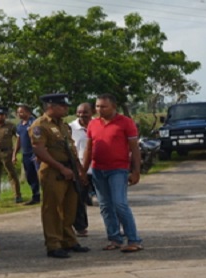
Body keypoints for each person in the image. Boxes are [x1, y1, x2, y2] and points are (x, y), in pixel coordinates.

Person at [29, 93, 90, 259]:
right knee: (53, 209)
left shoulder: (63, 125)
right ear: (50, 107)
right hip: (53, 171)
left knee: (70, 208)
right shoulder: (40, 125)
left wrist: (79, 169)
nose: (66, 108)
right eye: (61, 106)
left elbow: (71, 149)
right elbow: (39, 150)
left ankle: (69, 240)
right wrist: (61, 168)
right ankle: (53, 244)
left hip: (70, 170)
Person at [82, 93, 143, 253]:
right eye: (97, 106)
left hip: (118, 169)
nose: (99, 109)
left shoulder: (125, 123)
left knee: (119, 204)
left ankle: (133, 239)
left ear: (113, 107)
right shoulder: (93, 124)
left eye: (103, 106)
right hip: (98, 169)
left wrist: (136, 171)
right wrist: (83, 170)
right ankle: (114, 238)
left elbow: (135, 149)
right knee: (105, 206)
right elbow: (89, 149)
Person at [0, 106, 22, 203]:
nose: (0, 117)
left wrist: (15, 153)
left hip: (7, 153)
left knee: (12, 174)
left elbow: (18, 138)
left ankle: (17, 195)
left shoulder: (11, 126)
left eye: (2, 115)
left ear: (6, 116)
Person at [70, 102, 94, 236]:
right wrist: (80, 171)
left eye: (85, 112)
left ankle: (116, 227)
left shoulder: (97, 124)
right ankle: (81, 227)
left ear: (92, 113)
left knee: (108, 200)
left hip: (98, 168)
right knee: (79, 200)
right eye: (79, 112)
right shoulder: (71, 127)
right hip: (79, 169)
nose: (81, 115)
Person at [14, 104, 40, 205]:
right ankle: (35, 195)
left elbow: (39, 138)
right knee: (30, 176)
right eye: (18, 112)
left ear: (28, 112)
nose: (19, 114)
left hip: (35, 153)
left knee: (40, 175)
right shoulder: (20, 125)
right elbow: (18, 140)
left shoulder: (34, 123)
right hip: (25, 154)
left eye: (21, 112)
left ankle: (48, 195)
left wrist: (38, 154)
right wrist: (14, 154)